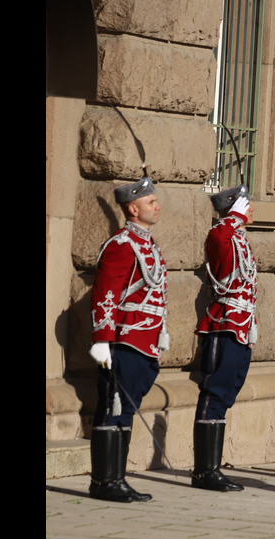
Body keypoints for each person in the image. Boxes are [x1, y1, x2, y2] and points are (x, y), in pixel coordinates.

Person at [87, 177, 168, 502]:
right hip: (124, 339)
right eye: (151, 202)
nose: (157, 206)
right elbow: (105, 294)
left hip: (145, 341)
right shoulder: (121, 245)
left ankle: (117, 479)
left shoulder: (149, 245)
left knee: (126, 410)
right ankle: (104, 481)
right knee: (112, 407)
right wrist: (102, 339)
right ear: (133, 208)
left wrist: (160, 332)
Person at [192, 185, 257, 492]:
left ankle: (213, 468)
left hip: (241, 324)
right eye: (247, 204)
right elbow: (217, 239)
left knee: (227, 393)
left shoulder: (239, 238)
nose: (252, 209)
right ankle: (204, 471)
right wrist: (232, 217)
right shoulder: (222, 234)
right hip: (225, 324)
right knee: (214, 393)